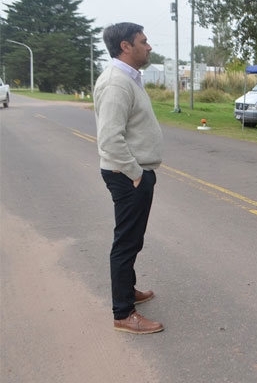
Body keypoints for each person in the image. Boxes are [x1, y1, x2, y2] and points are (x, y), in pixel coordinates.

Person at [95, 22, 164, 334]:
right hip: (127, 175)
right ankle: (123, 312)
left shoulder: (129, 79)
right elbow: (110, 138)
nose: (148, 47)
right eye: (143, 41)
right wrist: (136, 174)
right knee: (125, 243)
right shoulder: (116, 83)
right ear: (125, 46)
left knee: (132, 240)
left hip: (133, 173)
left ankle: (128, 289)